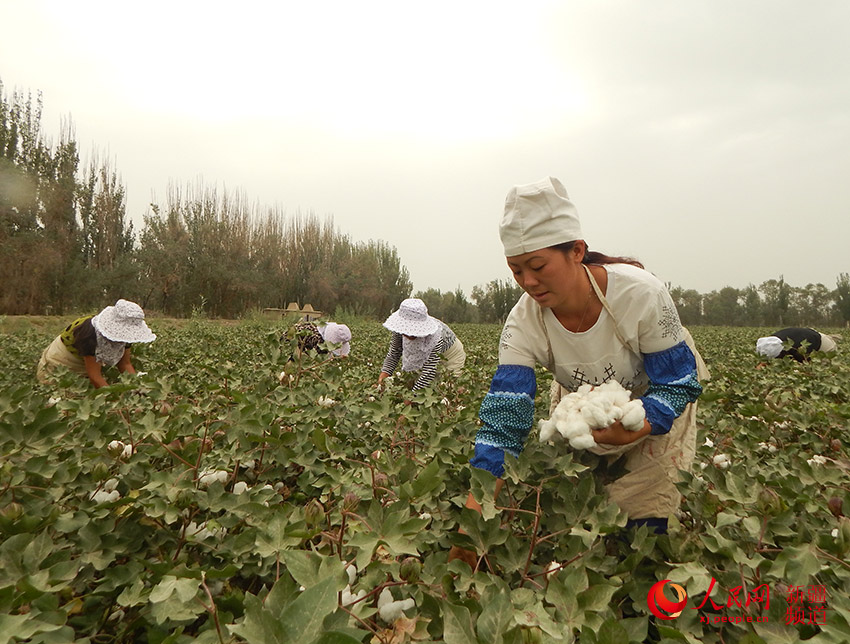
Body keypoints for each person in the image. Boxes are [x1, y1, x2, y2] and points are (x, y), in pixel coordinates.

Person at [450, 177, 709, 566]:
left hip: (654, 398)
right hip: (582, 403)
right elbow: (504, 422)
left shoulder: (641, 294)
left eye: (537, 266)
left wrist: (641, 423)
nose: (528, 282)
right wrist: (473, 522)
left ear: (576, 251)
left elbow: (677, 382)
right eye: (516, 271)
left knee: (646, 520)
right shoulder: (522, 324)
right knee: (586, 510)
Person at [36, 299, 156, 388]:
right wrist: (114, 398)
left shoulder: (126, 337)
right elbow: (95, 376)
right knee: (62, 393)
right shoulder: (89, 334)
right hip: (61, 361)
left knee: (85, 390)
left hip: (86, 363)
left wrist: (137, 386)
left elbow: (125, 364)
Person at [377, 298, 466, 391]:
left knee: (451, 389)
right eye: (407, 329)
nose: (409, 334)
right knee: (415, 385)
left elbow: (428, 373)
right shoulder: (399, 330)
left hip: (451, 356)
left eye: (413, 330)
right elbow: (394, 354)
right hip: (429, 357)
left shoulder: (436, 337)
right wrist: (382, 381)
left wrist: (409, 401)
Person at [755, 327, 838, 363]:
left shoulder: (798, 349)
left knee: (823, 372)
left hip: (824, 346)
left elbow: (803, 366)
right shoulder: (771, 341)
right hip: (809, 335)